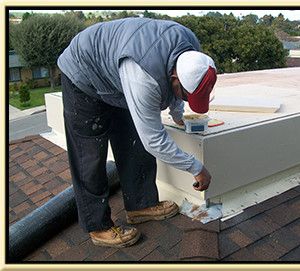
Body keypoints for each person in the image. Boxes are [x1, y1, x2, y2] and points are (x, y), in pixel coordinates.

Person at [58, 17, 217, 248]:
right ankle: (98, 226)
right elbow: (154, 140)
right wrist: (196, 168)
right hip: (83, 70)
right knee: (89, 155)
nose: (186, 99)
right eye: (187, 95)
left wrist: (179, 116)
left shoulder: (191, 50)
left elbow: (177, 91)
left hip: (116, 70)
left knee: (132, 138)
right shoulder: (143, 78)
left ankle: (140, 204)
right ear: (174, 78)